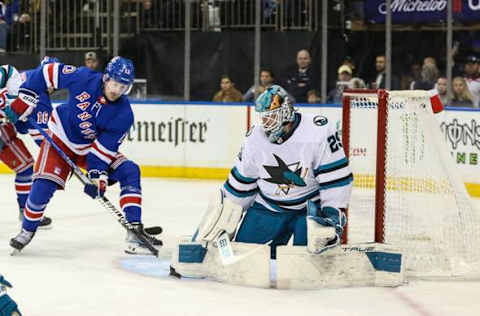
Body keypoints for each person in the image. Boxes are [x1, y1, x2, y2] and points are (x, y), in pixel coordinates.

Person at [6, 56, 162, 254]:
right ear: (106, 78)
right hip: (61, 137)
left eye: (123, 87)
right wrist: (24, 98)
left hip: (90, 149)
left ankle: (134, 228)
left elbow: (101, 153)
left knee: (130, 171)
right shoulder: (83, 77)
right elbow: (46, 72)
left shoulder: (124, 115)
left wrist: (98, 179)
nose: (116, 91)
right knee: (44, 184)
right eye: (114, 84)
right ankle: (27, 230)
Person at [222, 85, 352, 258]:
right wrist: (226, 217)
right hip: (268, 206)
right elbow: (242, 183)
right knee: (245, 260)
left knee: (311, 264)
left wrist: (332, 215)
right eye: (264, 117)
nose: (266, 123)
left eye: (272, 116)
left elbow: (335, 179)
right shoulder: (254, 139)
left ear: (286, 113)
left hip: (310, 209)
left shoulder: (319, 131)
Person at [0, 61, 53, 229]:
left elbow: (7, 71)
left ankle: (25, 212)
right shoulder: (35, 88)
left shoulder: (23, 79)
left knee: (25, 167)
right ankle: (25, 211)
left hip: (4, 129)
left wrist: (17, 110)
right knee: (26, 167)